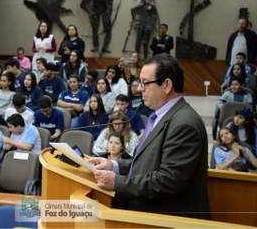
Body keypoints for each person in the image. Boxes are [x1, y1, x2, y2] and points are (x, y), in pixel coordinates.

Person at [89, 54, 210, 219]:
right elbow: (146, 162)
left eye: (145, 83)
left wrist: (117, 182)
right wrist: (114, 165)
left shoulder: (184, 124)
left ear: (166, 85)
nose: (139, 89)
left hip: (167, 220)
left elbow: (168, 180)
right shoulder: (160, 116)